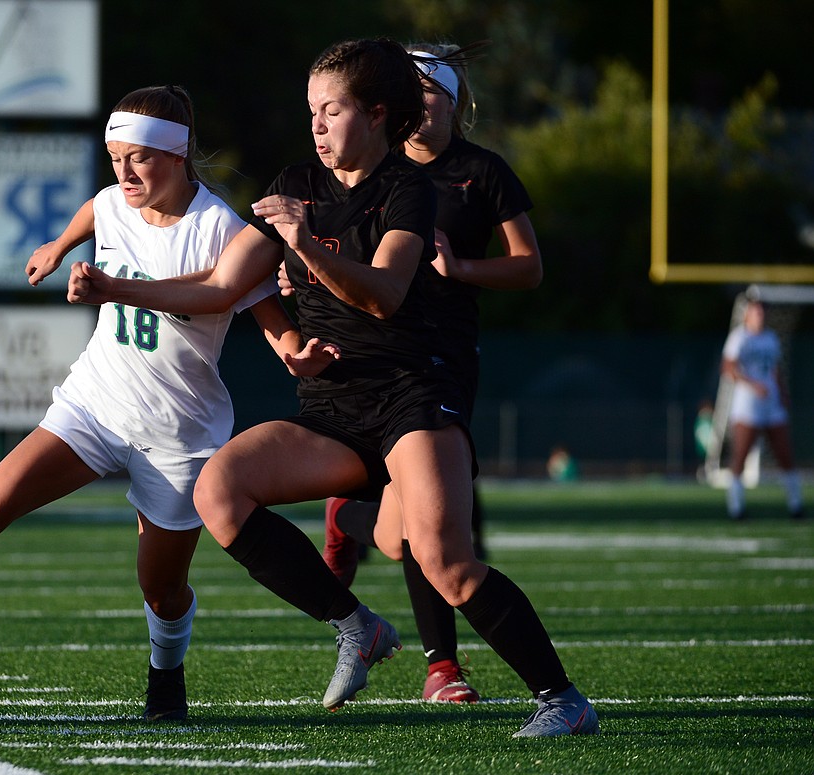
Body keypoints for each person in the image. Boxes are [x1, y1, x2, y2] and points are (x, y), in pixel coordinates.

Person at [69, 39, 597, 736]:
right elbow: (226, 286)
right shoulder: (298, 182)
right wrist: (114, 285)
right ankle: (355, 624)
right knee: (219, 491)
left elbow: (383, 293)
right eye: (311, 111)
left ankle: (562, 698)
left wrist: (306, 246)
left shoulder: (412, 189)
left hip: (413, 395)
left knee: (445, 561)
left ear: (377, 115)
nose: (316, 125)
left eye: (332, 110)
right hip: (335, 405)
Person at [0, 85, 340, 722]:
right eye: (115, 157)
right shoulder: (112, 201)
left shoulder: (223, 231)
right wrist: (58, 245)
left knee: (162, 587)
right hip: (93, 406)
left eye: (140, 159)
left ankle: (165, 677)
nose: (124, 173)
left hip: (178, 434)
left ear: (177, 156)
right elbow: (94, 212)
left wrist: (295, 350)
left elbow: (262, 310)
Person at [290, 42, 541, 705]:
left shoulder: (478, 172)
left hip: (446, 358)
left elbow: (529, 266)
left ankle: (355, 515)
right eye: (412, 92)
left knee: (416, 539)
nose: (420, 104)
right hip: (385, 361)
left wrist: (461, 271)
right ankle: (443, 666)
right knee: (430, 539)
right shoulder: (374, 173)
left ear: (453, 104)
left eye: (432, 94)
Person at [721, 298, 803, 520]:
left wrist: (783, 393)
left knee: (785, 454)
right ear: (747, 315)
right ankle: (736, 508)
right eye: (756, 312)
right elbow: (728, 367)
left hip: (772, 404)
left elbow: (775, 370)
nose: (760, 316)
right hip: (748, 407)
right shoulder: (740, 337)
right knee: (740, 456)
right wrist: (751, 384)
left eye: (762, 312)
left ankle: (796, 505)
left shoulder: (771, 338)